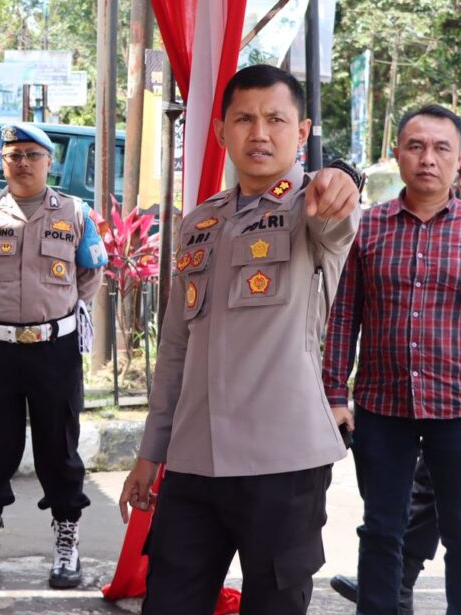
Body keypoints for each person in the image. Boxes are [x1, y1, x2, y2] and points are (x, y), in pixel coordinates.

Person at [118, 64, 363, 615]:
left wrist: (344, 174)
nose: (260, 133)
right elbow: (176, 348)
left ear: (301, 133)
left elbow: (338, 213)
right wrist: (151, 454)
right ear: (220, 131)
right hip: (195, 461)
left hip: (284, 462)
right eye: (244, 119)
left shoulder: (313, 210)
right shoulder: (200, 223)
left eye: (276, 120)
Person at [323, 105, 461, 615]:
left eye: (441, 148)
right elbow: (343, 319)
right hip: (382, 408)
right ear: (397, 154)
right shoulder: (367, 230)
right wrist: (334, 397)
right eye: (415, 146)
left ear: (458, 159)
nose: (427, 159)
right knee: (381, 530)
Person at [0, 122, 107, 589]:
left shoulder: (75, 213)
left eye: (32, 155)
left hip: (53, 351)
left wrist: (51, 317)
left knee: (59, 450)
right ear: (3, 161)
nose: (22, 163)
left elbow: (90, 274)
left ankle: (66, 543)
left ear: (48, 161)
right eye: (13, 154)